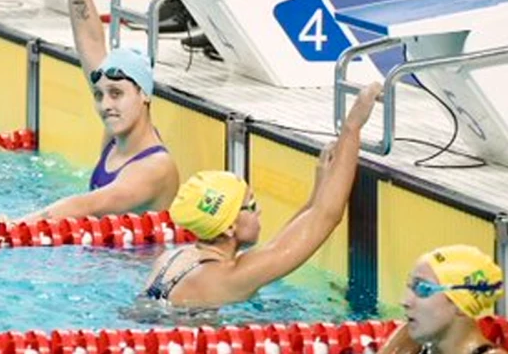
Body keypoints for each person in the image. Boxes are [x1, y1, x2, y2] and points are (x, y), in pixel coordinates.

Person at [0, 0, 181, 223]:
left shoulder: (155, 167)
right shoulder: (118, 138)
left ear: (144, 94)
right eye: (100, 95)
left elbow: (90, 204)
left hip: (134, 270)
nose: (105, 105)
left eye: (116, 94)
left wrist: (16, 225)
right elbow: (88, 36)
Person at [137, 82, 380, 308]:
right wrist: (352, 127)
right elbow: (326, 217)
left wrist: (319, 189)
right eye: (250, 206)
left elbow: (279, 246)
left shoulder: (177, 256)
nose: (259, 210)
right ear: (229, 227)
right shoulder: (225, 277)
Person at [377, 245, 508, 354]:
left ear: (460, 304)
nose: (405, 301)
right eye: (411, 286)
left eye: (423, 289)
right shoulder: (410, 338)